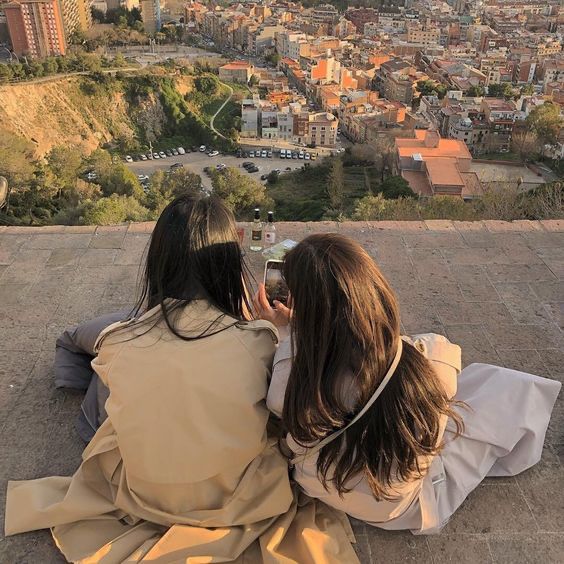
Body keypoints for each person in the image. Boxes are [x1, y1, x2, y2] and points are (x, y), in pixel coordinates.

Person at [4, 197, 359, 563]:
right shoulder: (258, 341)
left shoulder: (117, 340)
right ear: (229, 265)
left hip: (144, 493)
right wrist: (277, 330)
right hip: (233, 496)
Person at [254, 233, 561, 534]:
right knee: (502, 384)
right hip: (402, 507)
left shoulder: (288, 379)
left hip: (327, 485)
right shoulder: (429, 360)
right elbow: (395, 368)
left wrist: (287, 330)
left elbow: (317, 372)